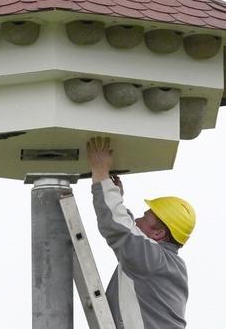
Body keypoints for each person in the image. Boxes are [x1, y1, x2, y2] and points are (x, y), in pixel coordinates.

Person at [86, 137, 196, 329]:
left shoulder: (153, 260)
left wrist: (101, 172)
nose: (137, 220)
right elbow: (128, 228)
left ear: (159, 234)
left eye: (145, 218)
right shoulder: (167, 264)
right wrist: (113, 195)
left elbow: (119, 229)